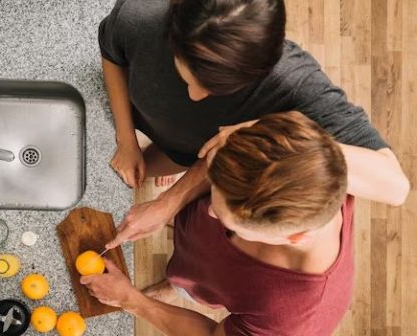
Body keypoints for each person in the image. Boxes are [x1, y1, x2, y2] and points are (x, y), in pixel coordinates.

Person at [100, 0, 409, 247]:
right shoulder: (140, 15)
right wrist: (126, 140)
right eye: (188, 76)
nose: (194, 96)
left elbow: (395, 187)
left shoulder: (293, 84)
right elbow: (112, 53)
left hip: (190, 154)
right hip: (147, 124)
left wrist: (270, 130)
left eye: (216, 89)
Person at [83, 112, 375, 335]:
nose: (208, 212)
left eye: (230, 222)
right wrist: (169, 203)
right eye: (217, 190)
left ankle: (180, 287)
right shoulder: (305, 155)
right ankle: (179, 278)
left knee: (190, 286)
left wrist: (133, 301)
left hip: (213, 279)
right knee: (186, 265)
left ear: (294, 238)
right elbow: (225, 153)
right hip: (197, 252)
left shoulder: (289, 318)